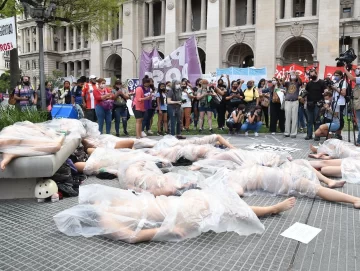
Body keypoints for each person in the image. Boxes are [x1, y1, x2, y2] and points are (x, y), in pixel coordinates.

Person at [54, 182, 297, 243]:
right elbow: (132, 236)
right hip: (176, 214)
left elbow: (145, 193)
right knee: (223, 209)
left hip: (175, 204)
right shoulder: (107, 217)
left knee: (222, 204)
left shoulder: (114, 200)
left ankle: (269, 209)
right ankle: (270, 209)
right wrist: (168, 230)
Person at [300, 69, 328, 141]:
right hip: (310, 103)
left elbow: (326, 92)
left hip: (318, 104)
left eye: (313, 74)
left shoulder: (322, 82)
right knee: (309, 120)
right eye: (311, 75)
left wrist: (325, 94)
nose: (312, 76)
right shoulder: (309, 84)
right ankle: (309, 135)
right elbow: (306, 93)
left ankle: (317, 135)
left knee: (317, 120)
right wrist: (305, 102)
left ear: (316, 74)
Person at [344, 66, 360, 145]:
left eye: (359, 69)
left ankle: (359, 141)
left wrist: (345, 70)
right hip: (358, 104)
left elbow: (351, 78)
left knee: (359, 124)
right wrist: (352, 68)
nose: (357, 70)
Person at [283, 72, 302, 138]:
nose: (293, 76)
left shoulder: (297, 83)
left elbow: (300, 82)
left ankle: (293, 133)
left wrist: (297, 75)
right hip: (288, 101)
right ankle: (287, 132)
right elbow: (283, 83)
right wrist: (285, 76)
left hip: (295, 101)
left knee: (294, 117)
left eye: (294, 75)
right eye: (292, 75)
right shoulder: (288, 83)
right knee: (287, 117)